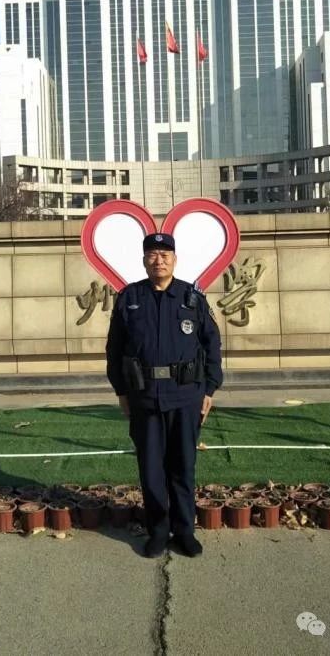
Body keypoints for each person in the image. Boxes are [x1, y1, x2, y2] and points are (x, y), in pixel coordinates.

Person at [106, 231, 223, 558]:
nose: (159, 260)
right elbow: (114, 348)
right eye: (152, 255)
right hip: (144, 397)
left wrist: (210, 388)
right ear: (144, 260)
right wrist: (121, 391)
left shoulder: (192, 298)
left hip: (186, 396)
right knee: (151, 468)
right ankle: (158, 531)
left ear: (174, 260)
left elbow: (212, 344)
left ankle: (185, 531)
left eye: (165, 255)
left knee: (183, 466)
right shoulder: (130, 298)